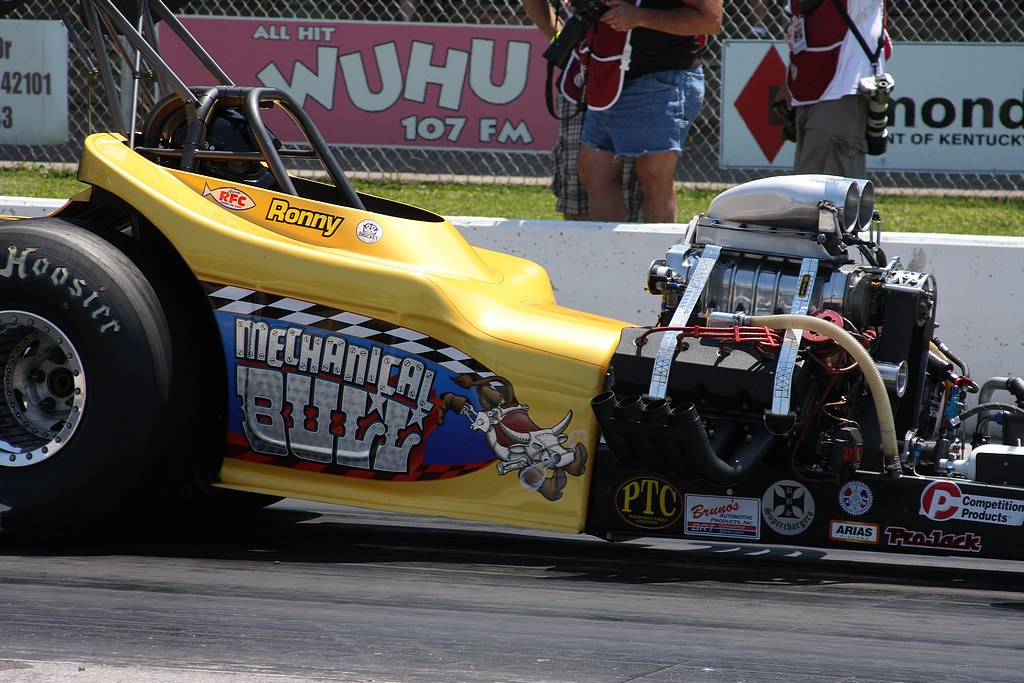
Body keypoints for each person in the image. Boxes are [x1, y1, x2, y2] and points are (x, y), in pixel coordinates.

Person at [569, 0, 722, 223]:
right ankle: (612, 247)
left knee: (654, 179)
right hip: (608, 73)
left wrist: (639, 17)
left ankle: (661, 247)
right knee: (594, 171)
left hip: (661, 74)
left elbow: (710, 21)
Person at [522, 0, 644, 221]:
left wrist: (638, 16)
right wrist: (562, 38)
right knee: (579, 190)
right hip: (585, 74)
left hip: (648, 73)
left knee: (641, 186)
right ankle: (583, 244)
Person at [779, 0, 891, 177]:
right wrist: (788, 82)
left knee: (825, 185)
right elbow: (800, 29)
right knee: (808, 180)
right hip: (808, 90)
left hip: (842, 90)